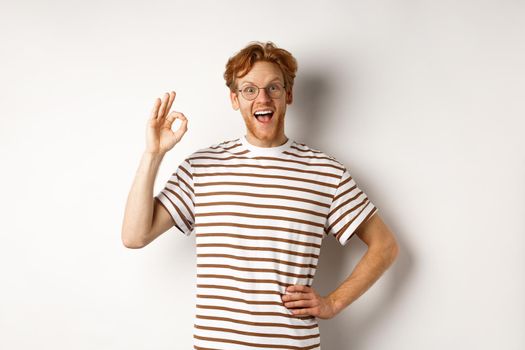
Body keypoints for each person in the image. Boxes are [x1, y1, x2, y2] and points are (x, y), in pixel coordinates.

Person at [121, 41, 399, 349]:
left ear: (288, 95)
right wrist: (153, 154)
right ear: (234, 99)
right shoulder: (201, 167)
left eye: (273, 88)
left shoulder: (325, 172)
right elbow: (135, 236)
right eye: (249, 90)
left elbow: (385, 246)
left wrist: (332, 303)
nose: (262, 98)